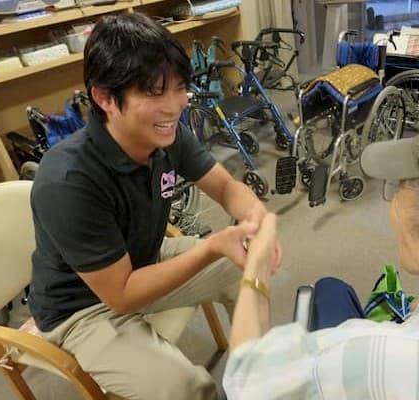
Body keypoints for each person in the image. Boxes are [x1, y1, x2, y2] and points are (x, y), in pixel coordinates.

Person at [223, 87, 419, 399]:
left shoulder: (367, 360)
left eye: (402, 183)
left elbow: (245, 378)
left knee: (329, 288)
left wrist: (257, 267)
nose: (395, 196)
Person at [28, 13, 276, 400]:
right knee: (184, 387)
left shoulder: (165, 134)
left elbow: (227, 188)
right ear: (105, 98)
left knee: (241, 266)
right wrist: (213, 245)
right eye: (154, 93)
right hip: (83, 308)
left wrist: (254, 218)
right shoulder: (67, 180)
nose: (174, 106)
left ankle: (259, 377)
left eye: (179, 88)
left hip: (141, 259)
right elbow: (122, 295)